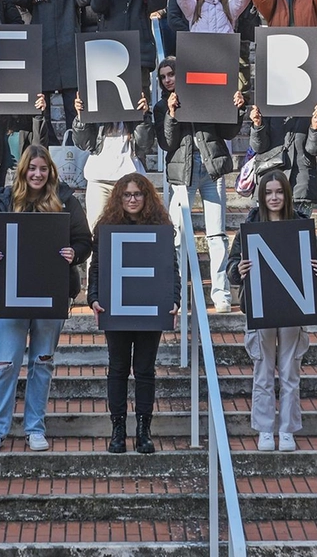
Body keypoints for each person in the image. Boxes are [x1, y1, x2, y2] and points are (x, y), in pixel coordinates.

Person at [0, 145, 93, 452]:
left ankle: (34, 427)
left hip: (50, 295)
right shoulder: (2, 202)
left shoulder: (65, 201)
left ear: (50, 171)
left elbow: (84, 240)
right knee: (5, 363)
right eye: (32, 168)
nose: (37, 174)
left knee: (42, 363)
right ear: (23, 171)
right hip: (12, 295)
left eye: (43, 169)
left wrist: (75, 254)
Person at [228, 170, 317, 453]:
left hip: (294, 307)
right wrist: (239, 269)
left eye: (279, 192)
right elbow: (233, 266)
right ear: (261, 196)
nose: (274, 197)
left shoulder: (301, 223)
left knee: (290, 371)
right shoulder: (250, 224)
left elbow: (314, 262)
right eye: (268, 192)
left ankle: (287, 430)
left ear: (287, 194)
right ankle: (265, 429)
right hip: (261, 306)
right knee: (263, 370)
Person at [87, 173, 179, 454]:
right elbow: (97, 269)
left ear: (147, 196)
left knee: (144, 370)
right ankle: (118, 430)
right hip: (116, 307)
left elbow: (170, 270)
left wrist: (174, 299)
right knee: (117, 368)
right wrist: (93, 299)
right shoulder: (106, 227)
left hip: (150, 307)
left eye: (138, 194)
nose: (132, 199)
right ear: (118, 197)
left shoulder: (161, 226)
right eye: (126, 194)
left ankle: (143, 430)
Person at [157, 67, 246, 313]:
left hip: (211, 170)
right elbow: (167, 143)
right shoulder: (161, 107)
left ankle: (221, 294)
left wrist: (237, 109)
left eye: (171, 74)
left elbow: (228, 132)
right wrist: (172, 114)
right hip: (181, 174)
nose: (168, 80)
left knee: (216, 235)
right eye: (163, 77)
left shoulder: (207, 94)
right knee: (176, 235)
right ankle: (177, 293)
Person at [9, 0, 92, 139]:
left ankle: (74, 146)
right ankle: (48, 144)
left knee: (73, 106)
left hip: (68, 50)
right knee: (42, 107)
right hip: (43, 50)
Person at [71, 91, 154, 229]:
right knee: (96, 229)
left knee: (132, 230)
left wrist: (143, 117)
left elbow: (145, 145)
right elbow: (83, 143)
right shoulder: (96, 107)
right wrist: (81, 117)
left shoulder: (133, 109)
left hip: (129, 180)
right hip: (99, 180)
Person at [90, 0, 166, 95]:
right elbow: (97, 7)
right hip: (112, 50)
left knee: (141, 103)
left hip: (139, 51)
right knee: (111, 102)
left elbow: (159, 3)